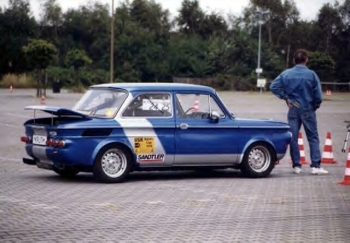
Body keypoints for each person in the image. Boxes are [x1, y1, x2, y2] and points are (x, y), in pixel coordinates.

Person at [270, 49, 328, 175]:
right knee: (313, 137)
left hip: (293, 109)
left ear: (293, 60)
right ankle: (315, 166)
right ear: (306, 60)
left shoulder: (286, 74)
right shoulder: (312, 75)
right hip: (308, 108)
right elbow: (319, 96)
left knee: (293, 138)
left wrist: (286, 97)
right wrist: (315, 106)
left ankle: (297, 166)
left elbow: (273, 86)